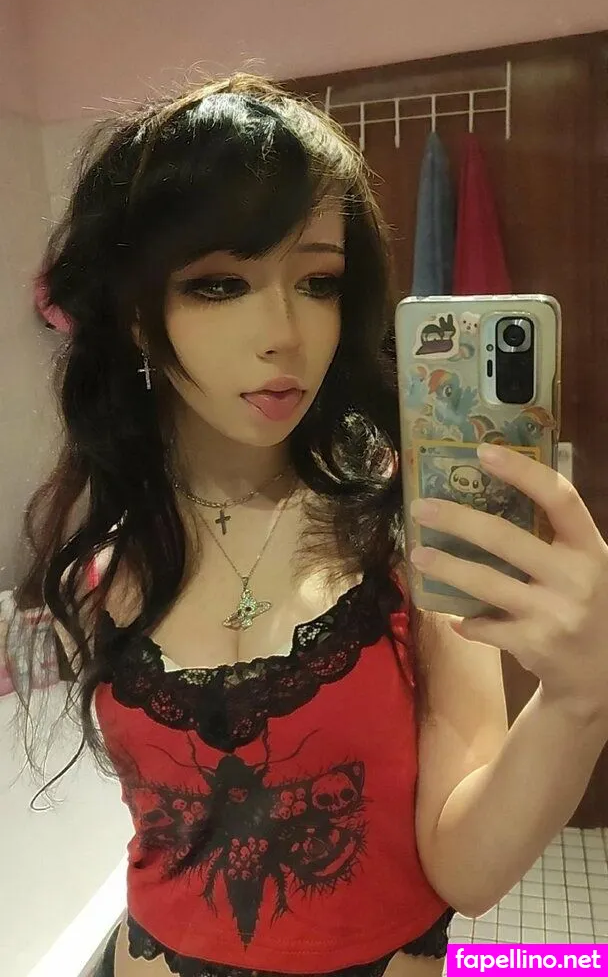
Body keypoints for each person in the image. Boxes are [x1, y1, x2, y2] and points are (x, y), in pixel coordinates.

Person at [9, 73, 608, 977]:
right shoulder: (101, 570)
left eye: (318, 281)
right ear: (135, 313)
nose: (284, 333)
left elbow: (469, 871)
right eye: (220, 284)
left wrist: (580, 698)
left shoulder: (409, 534)